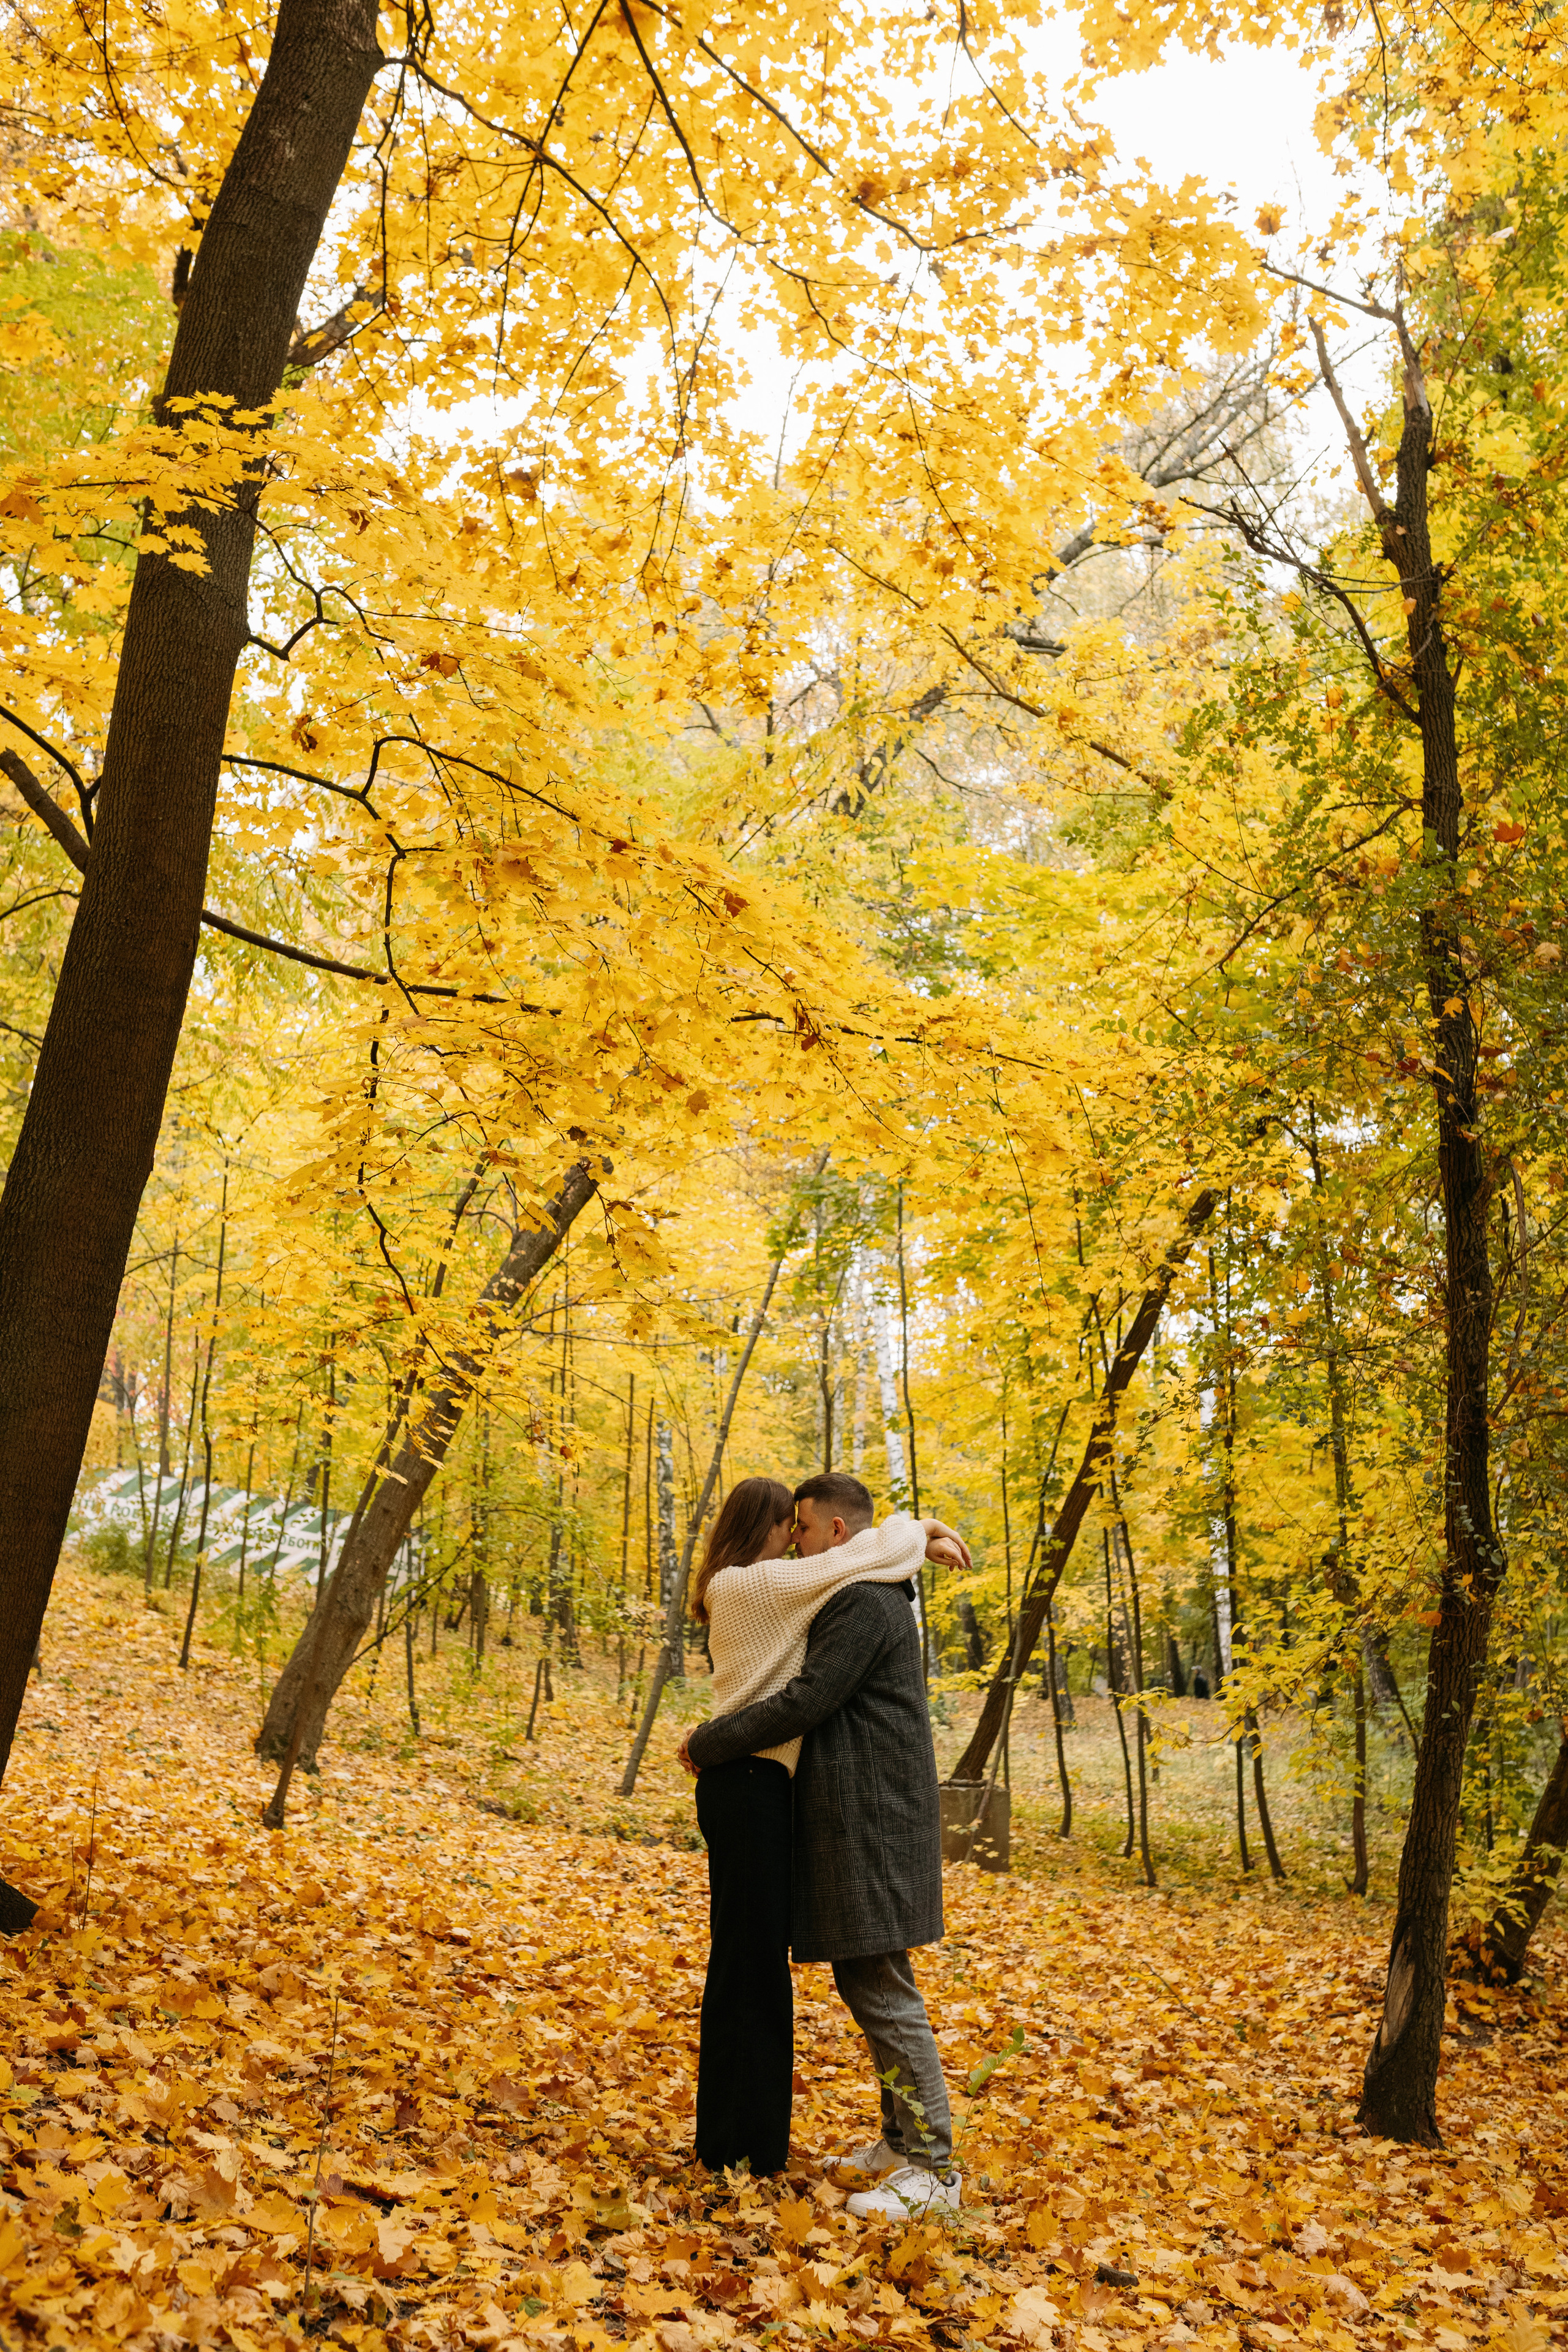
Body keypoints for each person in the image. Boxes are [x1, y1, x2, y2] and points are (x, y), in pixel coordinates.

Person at [681, 1471, 967, 2220]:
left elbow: (808, 1701)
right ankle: (903, 2144)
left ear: (837, 1534)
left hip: (871, 1814)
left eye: (803, 1529)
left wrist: (705, 1743)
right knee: (867, 1975)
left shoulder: (863, 1604)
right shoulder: (846, 1589)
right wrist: (920, 1527)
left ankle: (934, 2169)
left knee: (880, 1983)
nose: (796, 1544)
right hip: (854, 1812)